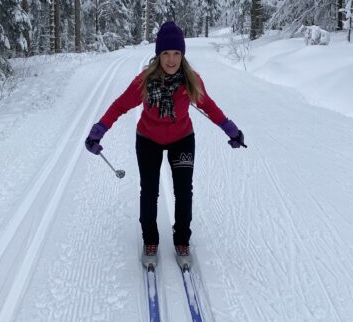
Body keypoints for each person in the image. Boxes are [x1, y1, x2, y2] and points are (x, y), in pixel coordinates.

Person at [84, 21, 246, 268]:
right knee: (149, 192)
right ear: (158, 55)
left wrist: (232, 130)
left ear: (182, 55)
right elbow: (119, 106)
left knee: (183, 191)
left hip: (182, 138)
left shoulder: (191, 81)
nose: (171, 60)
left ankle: (182, 240)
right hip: (148, 139)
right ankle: (150, 240)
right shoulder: (144, 82)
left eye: (176, 54)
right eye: (166, 54)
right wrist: (98, 131)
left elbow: (209, 107)